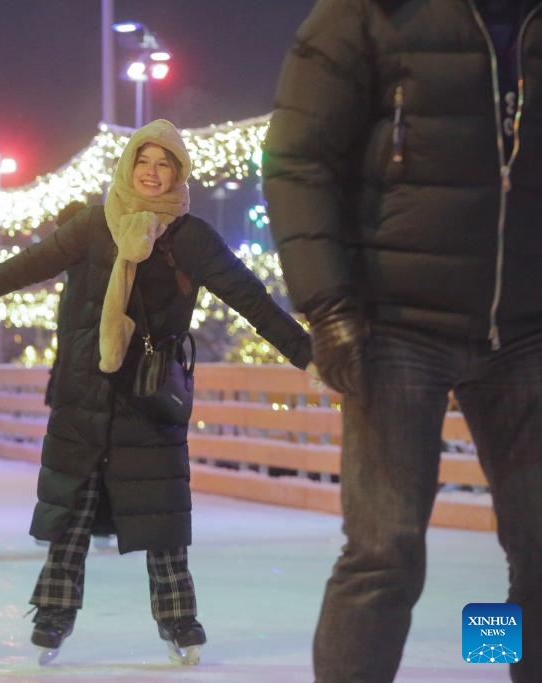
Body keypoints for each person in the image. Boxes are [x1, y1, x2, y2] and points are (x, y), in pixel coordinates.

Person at [0, 119, 313, 664]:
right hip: (84, 393)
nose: (154, 173)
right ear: (129, 167)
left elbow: (251, 299)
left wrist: (309, 355)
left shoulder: (190, 238)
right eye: (145, 161)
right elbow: (28, 266)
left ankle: (179, 620)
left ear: (179, 173)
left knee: (160, 515)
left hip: (151, 394)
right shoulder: (94, 226)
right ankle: (53, 613)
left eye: (166, 164)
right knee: (72, 508)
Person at [262, 2, 542, 681]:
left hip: (528, 327)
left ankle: (499, 659)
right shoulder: (370, 12)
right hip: (394, 323)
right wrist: (329, 307)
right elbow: (298, 159)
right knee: (385, 552)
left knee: (535, 545)